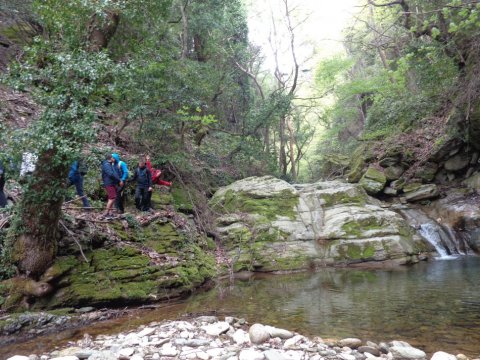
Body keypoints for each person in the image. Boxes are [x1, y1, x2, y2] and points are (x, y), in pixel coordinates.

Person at [101, 153, 120, 218]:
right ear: (110, 158)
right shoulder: (106, 165)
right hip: (109, 183)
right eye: (112, 158)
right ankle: (106, 213)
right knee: (112, 198)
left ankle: (110, 213)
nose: (113, 159)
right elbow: (111, 174)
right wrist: (118, 179)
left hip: (112, 183)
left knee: (111, 197)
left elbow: (113, 173)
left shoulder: (109, 164)